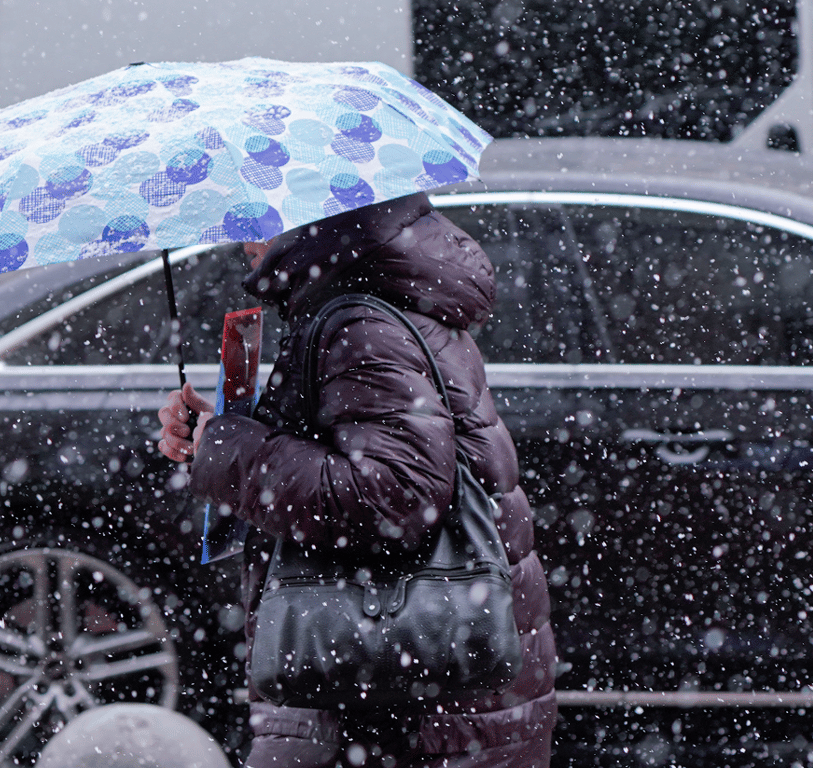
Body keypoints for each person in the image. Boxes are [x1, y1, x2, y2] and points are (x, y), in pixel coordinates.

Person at [157, 192, 557, 768]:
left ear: (314, 217)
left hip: (397, 702)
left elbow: (393, 498)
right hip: (403, 688)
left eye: (259, 212)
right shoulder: (367, 302)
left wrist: (230, 450)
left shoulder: (361, 322)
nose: (241, 233)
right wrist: (216, 438)